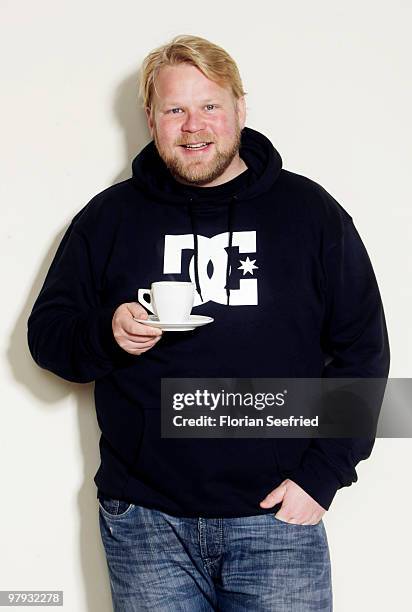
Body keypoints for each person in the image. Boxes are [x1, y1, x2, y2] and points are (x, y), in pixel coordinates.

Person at [27, 34, 390, 611]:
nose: (193, 126)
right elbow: (46, 338)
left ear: (240, 110)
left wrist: (325, 473)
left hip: (276, 521)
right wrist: (106, 333)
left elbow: (363, 352)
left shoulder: (310, 213)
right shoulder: (109, 218)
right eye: (175, 110)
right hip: (145, 524)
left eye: (209, 106)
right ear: (151, 118)